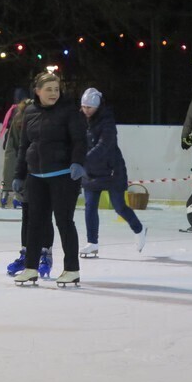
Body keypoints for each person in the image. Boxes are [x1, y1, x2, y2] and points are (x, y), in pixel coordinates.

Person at [12, 72, 87, 287]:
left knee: (64, 222)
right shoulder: (30, 112)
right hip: (36, 176)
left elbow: (80, 141)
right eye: (49, 89)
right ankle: (30, 268)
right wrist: (19, 175)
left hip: (63, 175)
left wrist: (77, 162)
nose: (54, 93)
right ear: (37, 91)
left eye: (56, 89)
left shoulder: (69, 112)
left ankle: (71, 269)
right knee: (34, 223)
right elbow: (24, 147)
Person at [78, 88, 147, 257]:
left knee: (119, 206)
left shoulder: (107, 122)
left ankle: (139, 229)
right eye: (84, 107)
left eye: (89, 107)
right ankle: (92, 242)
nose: (86, 110)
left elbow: (104, 146)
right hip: (91, 172)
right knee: (90, 207)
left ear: (97, 107)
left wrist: (83, 160)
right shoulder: (80, 120)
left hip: (112, 170)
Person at [3, 94, 55, 277]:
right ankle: (26, 254)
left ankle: (45, 254)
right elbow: (12, 152)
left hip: (46, 175)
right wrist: (9, 184)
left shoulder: (49, 122)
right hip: (25, 176)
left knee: (44, 216)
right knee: (27, 217)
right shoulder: (19, 123)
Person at [0, 87, 29, 209]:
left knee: (9, 168)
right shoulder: (23, 112)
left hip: (11, 144)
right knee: (20, 169)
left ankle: (5, 194)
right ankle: (18, 197)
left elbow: (8, 129)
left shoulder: (13, 110)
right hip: (18, 145)